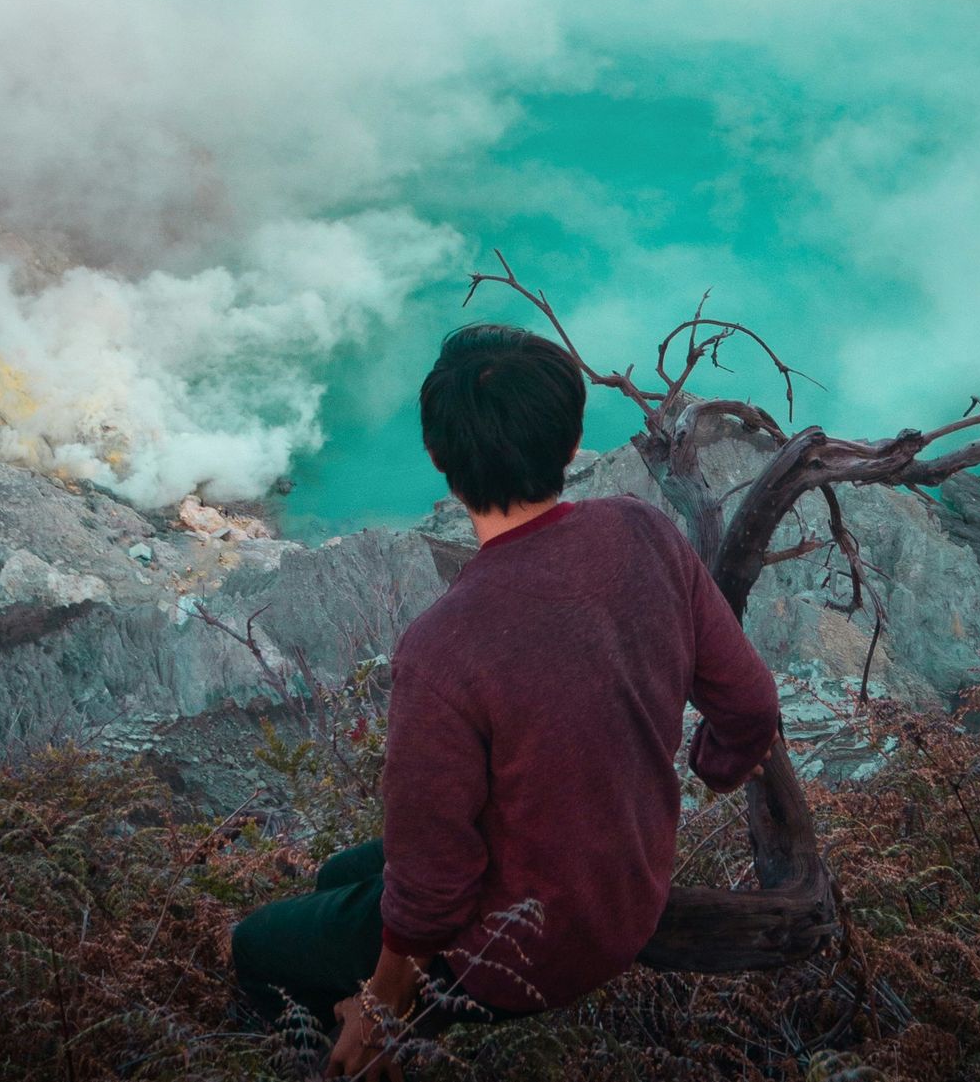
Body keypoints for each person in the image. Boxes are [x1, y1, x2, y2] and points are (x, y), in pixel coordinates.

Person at [230, 321, 781, 1074]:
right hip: (629, 890)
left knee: (255, 947)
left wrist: (381, 1005)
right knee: (337, 877)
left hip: (520, 955)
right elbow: (751, 705)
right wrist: (714, 767)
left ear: (438, 459)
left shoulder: (443, 646)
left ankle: (344, 1057)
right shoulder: (644, 530)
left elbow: (432, 886)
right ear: (573, 439)